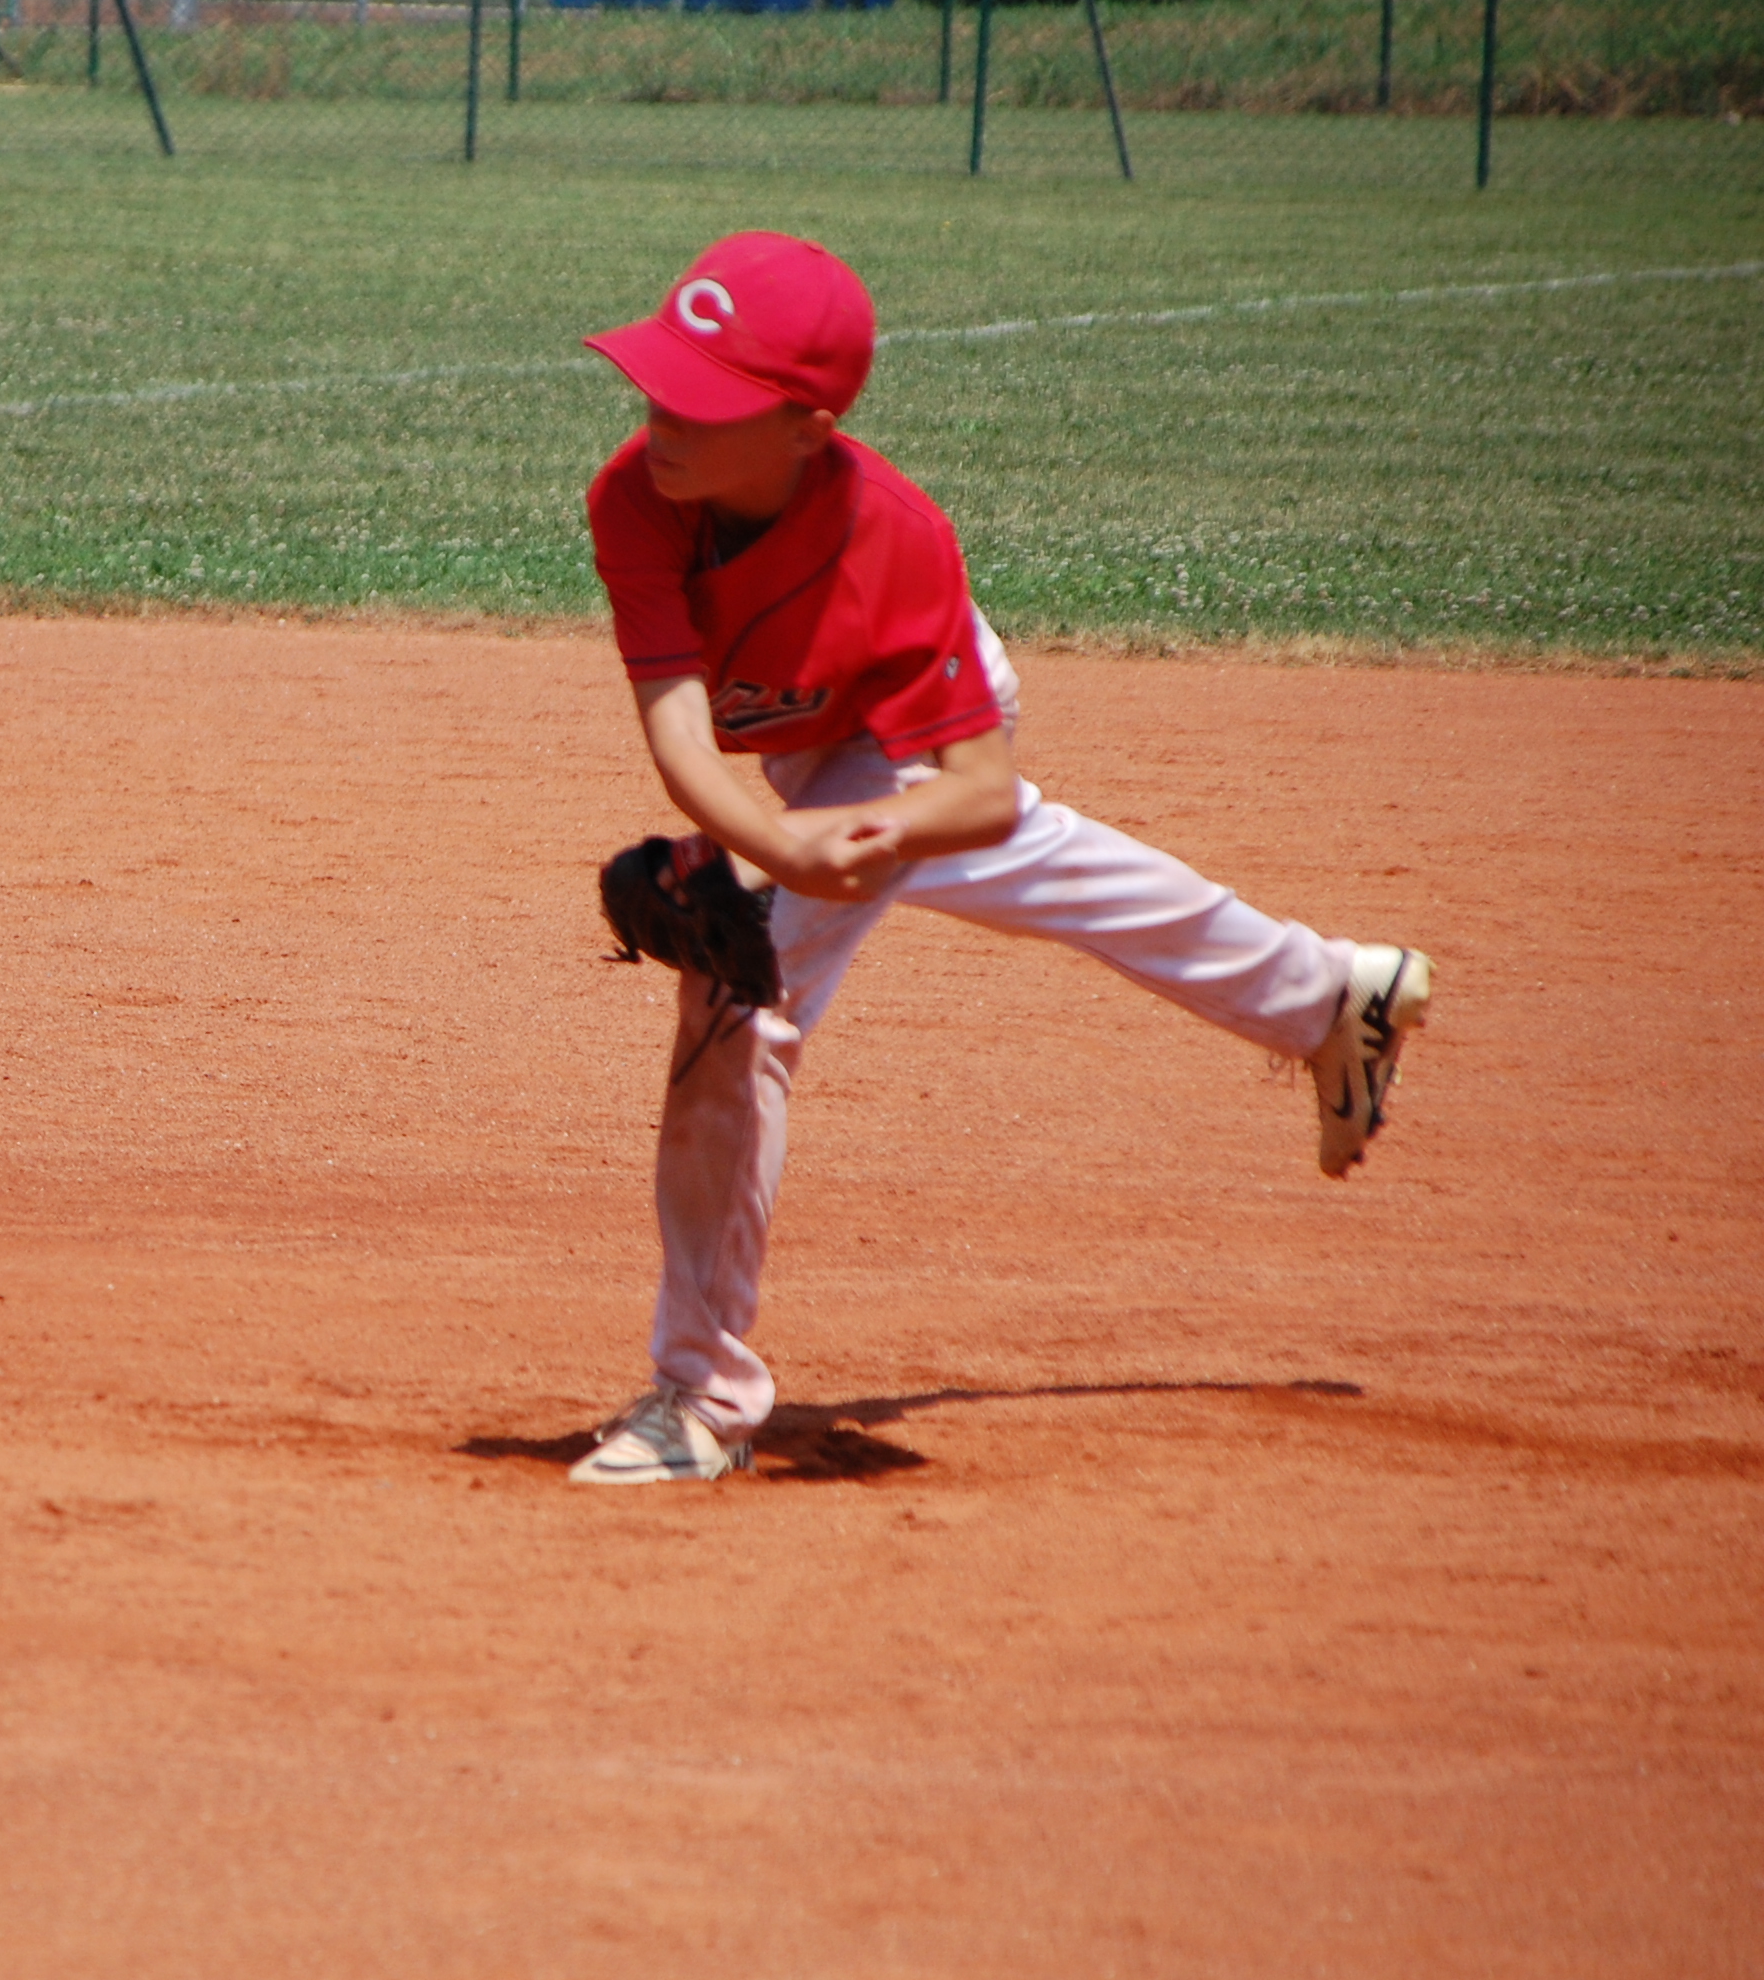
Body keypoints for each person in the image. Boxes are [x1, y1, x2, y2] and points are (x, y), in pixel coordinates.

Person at [567, 232, 1432, 1487]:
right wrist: (777, 844)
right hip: (807, 766)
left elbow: (968, 796)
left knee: (736, 1004)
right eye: (657, 380)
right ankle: (1319, 993)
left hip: (918, 739)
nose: (663, 415)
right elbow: (678, 730)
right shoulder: (636, 497)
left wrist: (827, 853)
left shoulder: (893, 542)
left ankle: (702, 1394)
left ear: (808, 425)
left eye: (706, 398)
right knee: (1022, 869)